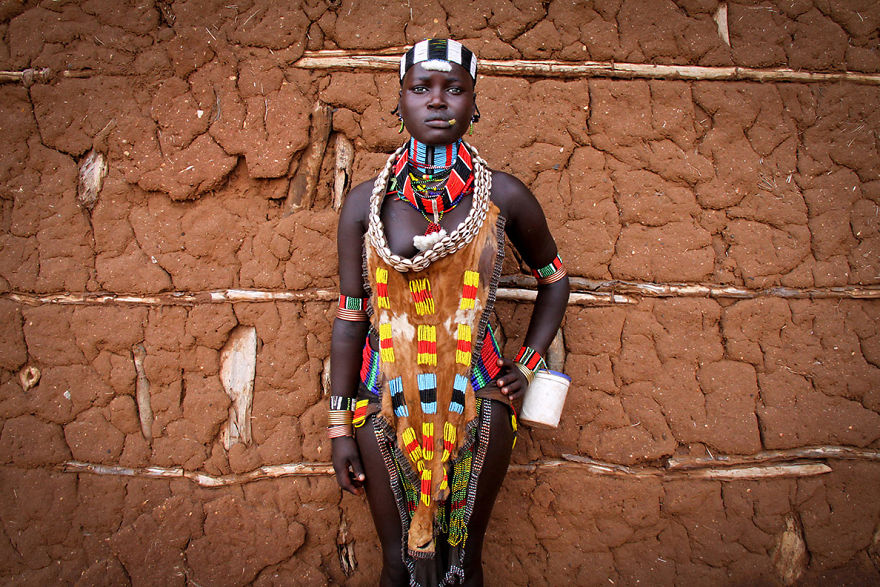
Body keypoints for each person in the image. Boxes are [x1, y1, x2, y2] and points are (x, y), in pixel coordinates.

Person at [328, 39, 569, 586]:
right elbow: (350, 319)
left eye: (454, 89)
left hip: (480, 400)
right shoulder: (367, 204)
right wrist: (340, 426)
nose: (438, 101)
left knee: (462, 566)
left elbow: (555, 281)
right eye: (421, 89)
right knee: (400, 565)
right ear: (399, 104)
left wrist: (526, 364)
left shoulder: (503, 196)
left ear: (475, 105)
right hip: (381, 404)